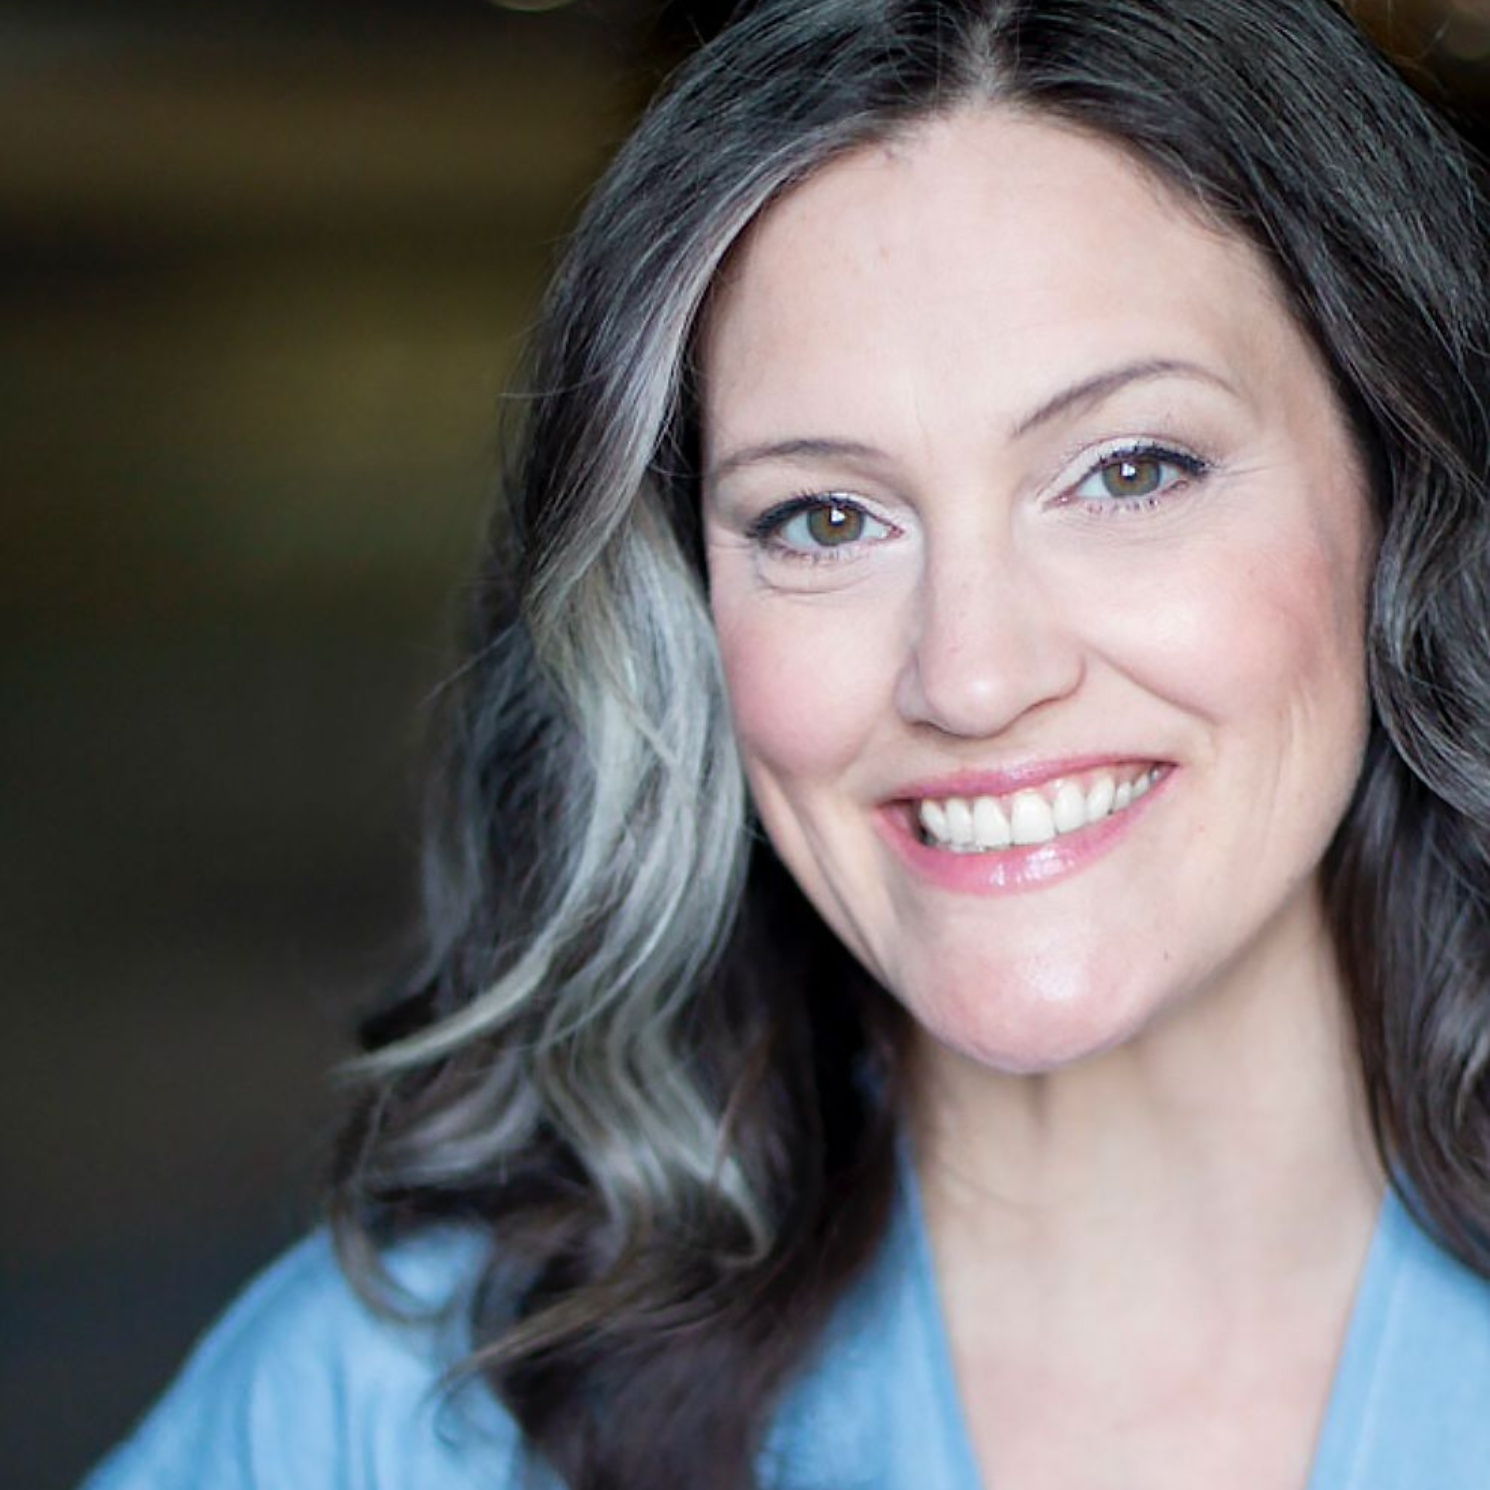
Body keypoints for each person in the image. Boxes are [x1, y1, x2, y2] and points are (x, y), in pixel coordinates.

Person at [82, 1, 1490, 1487]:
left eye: (1128, 470)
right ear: (686, 605)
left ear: (1402, 490)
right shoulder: (389, 1410)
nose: (971, 673)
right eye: (824, 518)